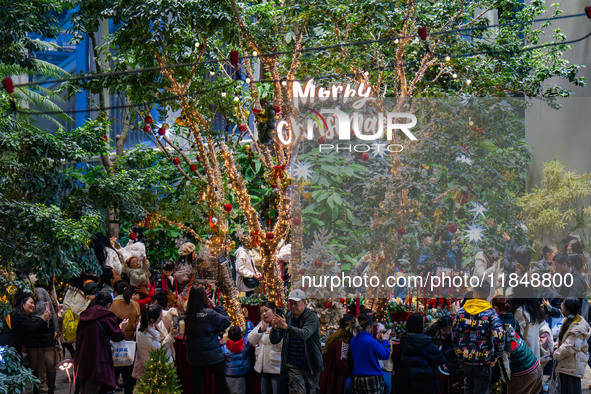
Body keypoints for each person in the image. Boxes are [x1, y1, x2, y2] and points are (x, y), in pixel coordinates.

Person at [452, 281, 505, 394]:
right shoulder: (491, 314)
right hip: (483, 360)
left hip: (465, 358)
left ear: (475, 293)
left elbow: (454, 334)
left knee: (468, 387)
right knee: (481, 389)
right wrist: (496, 356)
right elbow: (499, 336)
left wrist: (458, 352)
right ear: (487, 295)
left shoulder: (461, 312)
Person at [74, 291, 129, 393]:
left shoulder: (84, 317)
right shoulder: (106, 317)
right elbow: (117, 336)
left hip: (83, 360)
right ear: (108, 305)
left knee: (87, 389)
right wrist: (121, 327)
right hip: (99, 362)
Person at [270, 289, 323, 393]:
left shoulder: (311, 317)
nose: (293, 306)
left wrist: (286, 327)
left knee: (312, 391)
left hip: (311, 364)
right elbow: (275, 340)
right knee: (297, 391)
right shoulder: (288, 316)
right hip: (293, 364)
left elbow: (304, 334)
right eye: (291, 303)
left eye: (296, 303)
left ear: (304, 303)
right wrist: (275, 327)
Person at [185, 285, 231, 394]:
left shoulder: (189, 315)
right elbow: (226, 321)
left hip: (195, 354)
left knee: (197, 386)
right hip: (212, 354)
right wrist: (216, 307)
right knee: (221, 384)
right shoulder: (210, 313)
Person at [10, 293, 57, 394]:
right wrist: (42, 319)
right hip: (20, 342)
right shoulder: (19, 314)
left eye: (34, 303)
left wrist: (54, 328)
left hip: (44, 334)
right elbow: (31, 328)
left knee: (49, 364)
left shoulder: (23, 314)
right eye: (30, 303)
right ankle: (37, 390)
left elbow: (51, 313)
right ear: (23, 304)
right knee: (34, 365)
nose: (33, 305)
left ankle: (49, 390)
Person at [396, 313, 445, 394]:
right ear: (421, 325)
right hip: (425, 380)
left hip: (406, 380)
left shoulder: (403, 340)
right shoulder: (426, 342)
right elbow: (440, 359)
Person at [553, 298, 590, 394]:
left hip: (572, 365)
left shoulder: (577, 327)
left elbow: (569, 347)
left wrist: (555, 354)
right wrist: (555, 346)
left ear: (568, 308)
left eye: (563, 303)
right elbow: (562, 338)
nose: (561, 305)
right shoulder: (568, 319)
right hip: (566, 363)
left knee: (571, 390)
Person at [110, 280, 141, 394]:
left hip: (114, 345)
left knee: (113, 377)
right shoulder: (135, 304)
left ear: (115, 291)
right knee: (129, 380)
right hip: (131, 345)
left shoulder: (111, 305)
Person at [348, 312, 390, 394]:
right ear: (368, 327)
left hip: (357, 379)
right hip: (372, 379)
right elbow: (385, 355)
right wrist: (385, 340)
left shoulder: (353, 340)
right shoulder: (371, 341)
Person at [132, 304, 176, 381]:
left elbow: (163, 313)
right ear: (152, 319)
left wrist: (171, 312)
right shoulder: (144, 334)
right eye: (160, 318)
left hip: (159, 363)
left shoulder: (147, 319)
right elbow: (159, 350)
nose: (161, 319)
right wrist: (170, 335)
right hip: (154, 366)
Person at [247, 301, 284, 394]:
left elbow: (283, 344)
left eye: (266, 311)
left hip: (276, 367)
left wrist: (273, 331)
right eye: (261, 312)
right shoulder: (262, 324)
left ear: (274, 310)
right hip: (263, 366)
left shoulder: (281, 323)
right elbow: (251, 339)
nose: (264, 314)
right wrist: (261, 329)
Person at [318, 314, 354, 394]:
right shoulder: (342, 342)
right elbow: (341, 363)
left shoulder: (334, 337)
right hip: (334, 376)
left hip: (328, 372)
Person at [222, 325, 253, 394]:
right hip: (241, 374)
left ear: (228, 337)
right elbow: (250, 334)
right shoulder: (245, 345)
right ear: (241, 335)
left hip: (228, 374)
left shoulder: (224, 348)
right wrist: (247, 320)